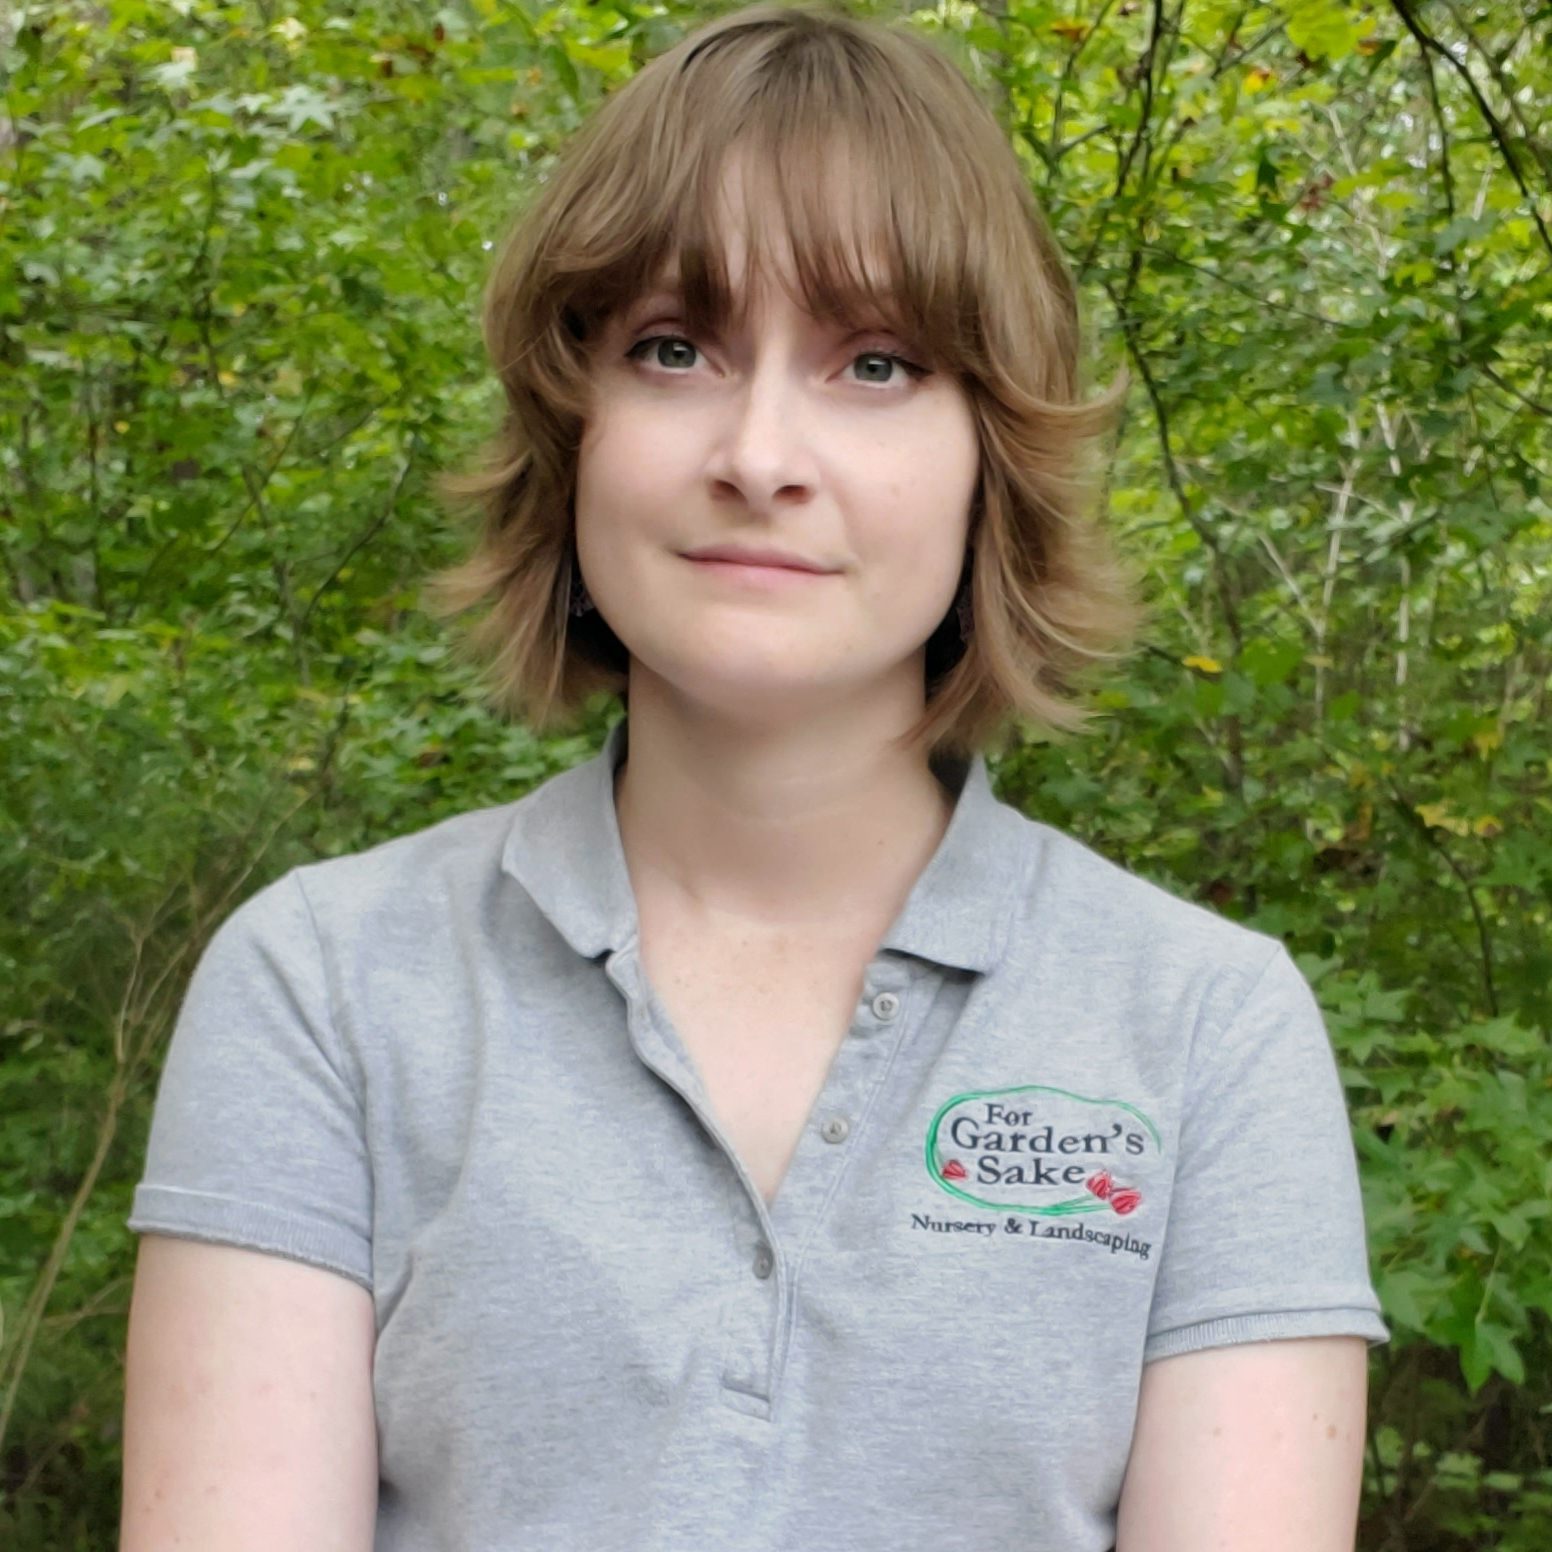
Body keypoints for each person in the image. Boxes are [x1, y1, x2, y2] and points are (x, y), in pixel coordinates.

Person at [119, 4, 1390, 1549]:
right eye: (675, 348)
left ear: (996, 452)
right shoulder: (325, 986)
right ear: (571, 426)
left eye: (874, 362)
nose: (761, 452)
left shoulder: (1206, 1031)